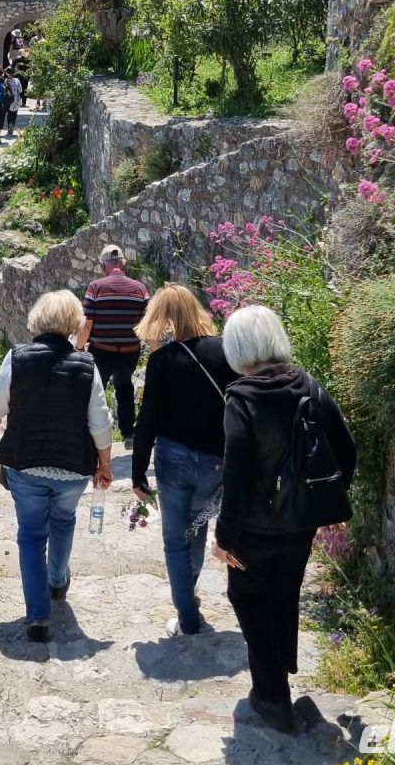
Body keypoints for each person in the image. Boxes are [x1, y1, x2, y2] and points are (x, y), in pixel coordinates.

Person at [212, 305, 356, 734]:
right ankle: (280, 676)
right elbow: (346, 450)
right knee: (283, 596)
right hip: (299, 525)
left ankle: (272, 697)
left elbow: (236, 476)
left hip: (253, 531)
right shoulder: (308, 386)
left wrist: (223, 537)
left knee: (249, 601)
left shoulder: (241, 400)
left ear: (237, 348)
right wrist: (319, 499)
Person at [0, 290, 114, 644]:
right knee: (63, 520)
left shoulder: (18, 357)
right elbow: (100, 422)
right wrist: (104, 464)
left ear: (38, 320)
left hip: (25, 464)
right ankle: (57, 582)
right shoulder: (86, 366)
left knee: (30, 535)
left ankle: (38, 617)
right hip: (73, 468)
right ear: (73, 323)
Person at [131, 286, 237, 638]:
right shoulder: (226, 351)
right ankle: (188, 598)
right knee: (198, 528)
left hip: (173, 458)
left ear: (162, 318)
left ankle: (187, 617)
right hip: (215, 459)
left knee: (175, 539)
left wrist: (137, 473)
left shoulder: (162, 360)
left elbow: (147, 419)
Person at [75, 245, 149, 448]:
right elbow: (146, 323)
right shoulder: (140, 289)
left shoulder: (95, 287)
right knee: (124, 386)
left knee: (93, 390)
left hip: (101, 351)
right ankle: (128, 435)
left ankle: (92, 435)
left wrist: (79, 348)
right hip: (129, 352)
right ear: (124, 264)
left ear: (103, 266)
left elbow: (87, 325)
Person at [5, 68, 24, 141]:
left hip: (8, 100)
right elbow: (20, 90)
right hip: (16, 100)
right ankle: (12, 126)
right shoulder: (17, 80)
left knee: (9, 114)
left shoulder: (6, 81)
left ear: (7, 73)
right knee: (14, 114)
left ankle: (9, 126)